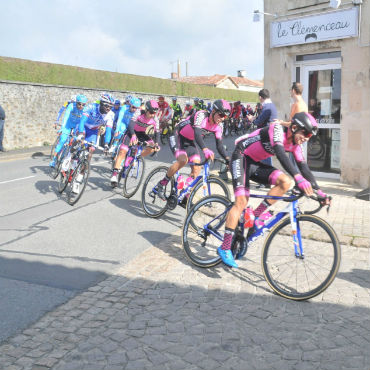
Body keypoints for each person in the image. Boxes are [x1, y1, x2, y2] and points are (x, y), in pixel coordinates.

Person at [217, 112, 330, 268]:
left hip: (254, 163)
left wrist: (320, 191)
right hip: (241, 156)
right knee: (241, 202)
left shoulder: (296, 145)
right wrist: (299, 179)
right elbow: (280, 153)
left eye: (310, 135)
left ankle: (256, 216)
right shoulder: (277, 130)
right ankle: (225, 247)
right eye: (306, 133)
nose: (307, 137)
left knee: (285, 182)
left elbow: (304, 168)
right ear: (295, 127)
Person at [155, 99, 231, 201]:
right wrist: (205, 149)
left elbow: (220, 146)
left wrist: (227, 160)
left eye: (225, 117)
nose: (222, 119)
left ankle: (185, 194)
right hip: (178, 135)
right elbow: (197, 134)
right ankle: (161, 184)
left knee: (197, 167)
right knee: (183, 160)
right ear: (213, 111)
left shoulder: (219, 126)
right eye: (221, 115)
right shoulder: (201, 115)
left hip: (189, 141)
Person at [110, 100, 161, 186]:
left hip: (142, 134)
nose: (153, 115)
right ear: (147, 110)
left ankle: (137, 157)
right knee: (123, 151)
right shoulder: (139, 112)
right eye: (151, 112)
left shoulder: (155, 119)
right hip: (131, 132)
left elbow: (157, 132)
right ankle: (114, 174)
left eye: (155, 113)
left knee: (153, 148)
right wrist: (133, 135)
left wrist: (156, 143)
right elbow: (131, 123)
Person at [49, 94, 88, 167]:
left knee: (75, 143)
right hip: (68, 125)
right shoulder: (71, 106)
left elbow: (84, 121)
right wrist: (62, 128)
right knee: (62, 140)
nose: (81, 106)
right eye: (79, 104)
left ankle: (70, 160)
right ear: (76, 102)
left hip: (76, 127)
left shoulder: (85, 110)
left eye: (83, 105)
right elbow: (66, 116)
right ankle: (54, 160)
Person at [77, 93, 115, 163]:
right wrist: (80, 133)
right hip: (84, 127)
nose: (108, 108)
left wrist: (106, 144)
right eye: (106, 106)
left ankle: (82, 173)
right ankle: (70, 157)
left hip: (93, 131)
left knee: (91, 150)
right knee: (78, 143)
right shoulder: (92, 107)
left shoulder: (110, 115)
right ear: (101, 103)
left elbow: (109, 131)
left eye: (111, 107)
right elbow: (82, 121)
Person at [247, 89, 278, 167]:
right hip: (269, 134)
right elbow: (263, 118)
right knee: (265, 158)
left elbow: (259, 122)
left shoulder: (267, 107)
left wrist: (251, 120)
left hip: (265, 135)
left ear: (260, 97)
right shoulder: (271, 105)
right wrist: (254, 118)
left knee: (265, 160)